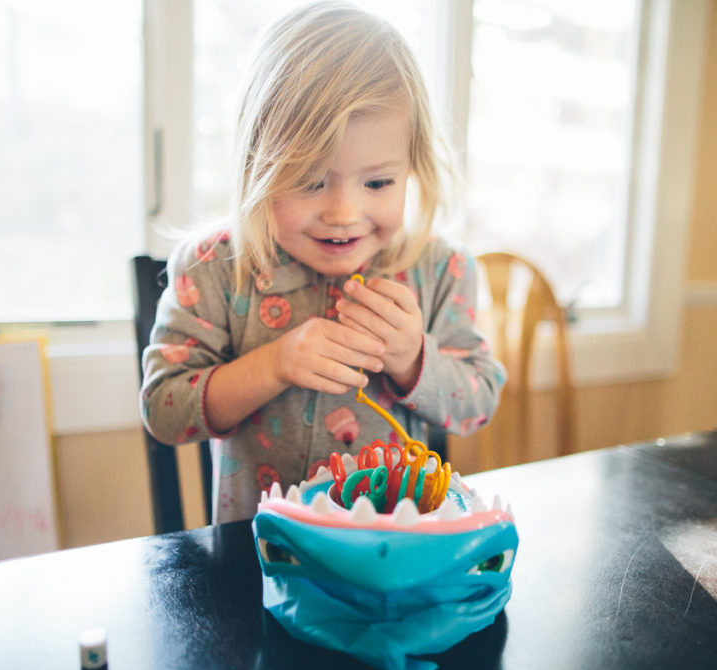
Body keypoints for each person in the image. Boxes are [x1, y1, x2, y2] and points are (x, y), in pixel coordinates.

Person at [140, 1, 505, 524]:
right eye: (309, 182)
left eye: (378, 183)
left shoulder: (439, 271)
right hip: (260, 557)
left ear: (413, 166)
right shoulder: (216, 268)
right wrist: (275, 364)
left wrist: (411, 358)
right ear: (257, 168)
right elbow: (163, 410)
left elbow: (480, 402)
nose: (343, 213)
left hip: (391, 556)